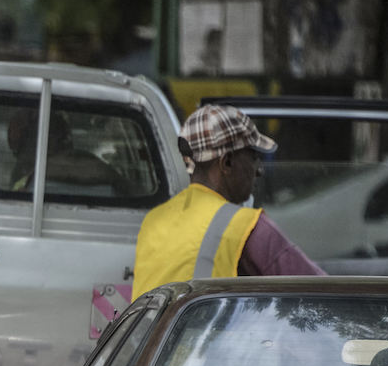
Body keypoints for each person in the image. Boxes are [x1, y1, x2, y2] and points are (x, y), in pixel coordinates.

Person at [132, 103, 325, 296]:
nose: (259, 170)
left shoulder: (153, 220)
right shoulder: (244, 225)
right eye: (253, 157)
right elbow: (322, 292)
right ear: (228, 162)